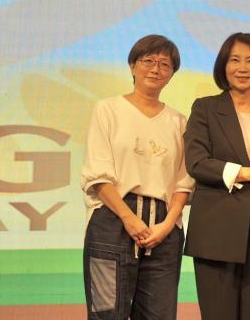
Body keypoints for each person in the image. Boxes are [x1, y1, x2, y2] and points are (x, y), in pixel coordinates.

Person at [81, 34, 194, 319]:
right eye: (148, 61)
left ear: (171, 74)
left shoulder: (179, 121)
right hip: (112, 223)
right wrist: (128, 218)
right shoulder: (107, 109)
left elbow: (184, 181)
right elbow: (98, 174)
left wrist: (167, 225)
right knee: (107, 313)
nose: (156, 69)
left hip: (164, 228)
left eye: (165, 64)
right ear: (132, 66)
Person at [184, 32, 250, 320]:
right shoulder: (205, 108)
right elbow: (196, 162)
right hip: (215, 232)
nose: (243, 68)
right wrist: (244, 173)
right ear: (223, 65)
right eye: (235, 60)